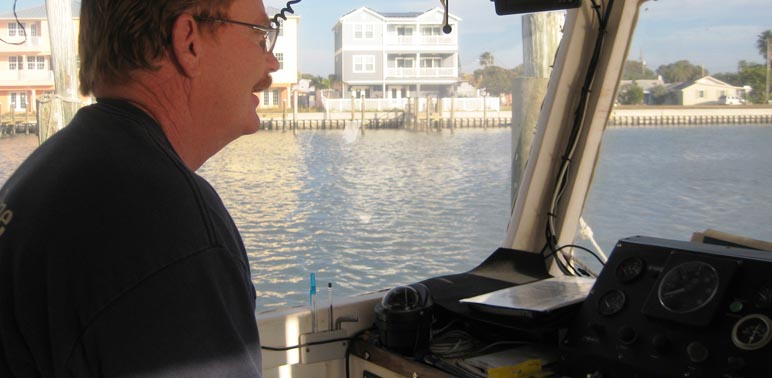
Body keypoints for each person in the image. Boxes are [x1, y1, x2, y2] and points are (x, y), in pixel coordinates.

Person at [0, 0, 279, 376]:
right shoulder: (166, 226)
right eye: (260, 36)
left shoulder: (50, 172)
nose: (272, 65)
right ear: (189, 42)